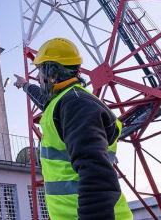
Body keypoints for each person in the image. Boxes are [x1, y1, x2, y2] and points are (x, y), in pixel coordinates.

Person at [13, 38, 132, 220]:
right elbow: (44, 100)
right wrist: (25, 85)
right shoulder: (65, 101)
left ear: (51, 73)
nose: (38, 77)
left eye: (40, 71)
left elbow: (96, 173)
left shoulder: (76, 104)